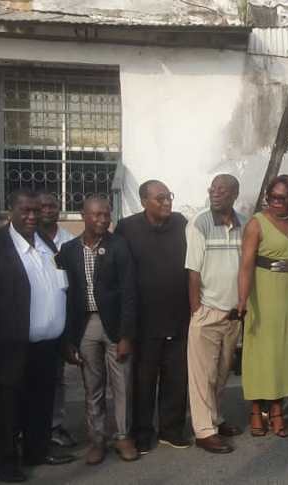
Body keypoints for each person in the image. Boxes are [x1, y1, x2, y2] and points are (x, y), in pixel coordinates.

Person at [0, 188, 76, 483]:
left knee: (40, 403)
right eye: (25, 210)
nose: (32, 216)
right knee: (6, 409)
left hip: (46, 346)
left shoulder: (46, 243)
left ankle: (37, 451)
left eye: (36, 210)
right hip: (6, 348)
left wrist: (64, 339)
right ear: (10, 211)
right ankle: (5, 461)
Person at [57, 196, 138, 464]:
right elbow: (66, 296)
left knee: (122, 384)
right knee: (93, 386)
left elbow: (129, 292)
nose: (103, 220)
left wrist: (126, 335)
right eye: (96, 215)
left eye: (106, 214)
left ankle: (123, 436)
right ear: (83, 216)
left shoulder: (119, 246)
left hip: (115, 325)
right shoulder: (68, 250)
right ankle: (97, 440)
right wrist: (69, 339)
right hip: (85, 324)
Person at [115, 181, 192, 453]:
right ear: (143, 201)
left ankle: (171, 430)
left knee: (176, 378)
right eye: (160, 198)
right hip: (144, 321)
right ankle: (142, 432)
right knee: (143, 380)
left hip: (178, 316)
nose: (167, 202)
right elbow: (120, 272)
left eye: (169, 196)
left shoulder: (181, 223)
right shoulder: (127, 228)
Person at [237, 175, 288, 438]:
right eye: (272, 196)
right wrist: (242, 300)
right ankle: (257, 410)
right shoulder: (256, 223)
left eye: (282, 197)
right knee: (259, 354)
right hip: (262, 293)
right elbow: (246, 265)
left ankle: (277, 408)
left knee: (283, 354)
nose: (275, 201)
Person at [186, 174, 248, 454]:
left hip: (234, 314)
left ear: (235, 194)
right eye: (212, 188)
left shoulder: (245, 223)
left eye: (222, 189)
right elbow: (193, 272)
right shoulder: (199, 223)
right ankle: (204, 431)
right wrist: (197, 310)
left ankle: (215, 418)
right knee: (203, 375)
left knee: (221, 373)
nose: (215, 192)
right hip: (208, 312)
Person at [38, 192, 79, 450]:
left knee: (57, 376)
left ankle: (54, 425)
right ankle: (29, 428)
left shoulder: (70, 241)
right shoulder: (25, 240)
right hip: (34, 321)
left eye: (52, 206)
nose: (47, 210)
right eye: (41, 206)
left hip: (62, 318)